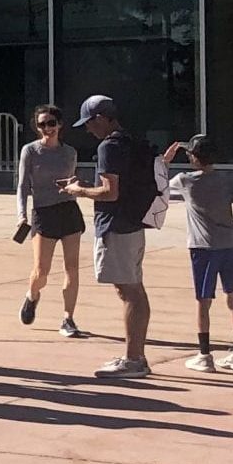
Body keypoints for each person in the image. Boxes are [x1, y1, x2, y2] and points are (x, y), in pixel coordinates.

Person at [57, 95, 154, 379]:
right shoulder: (130, 141)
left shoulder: (109, 147)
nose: (88, 130)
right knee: (133, 288)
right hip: (133, 223)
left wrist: (79, 191)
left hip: (117, 225)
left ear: (100, 118)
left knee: (129, 292)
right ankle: (135, 355)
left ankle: (134, 359)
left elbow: (110, 192)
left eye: (89, 123)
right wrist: (88, 186)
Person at [165, 135, 233, 372]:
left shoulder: (186, 180)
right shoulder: (226, 180)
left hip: (203, 246)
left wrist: (165, 161)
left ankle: (204, 354)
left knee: (203, 301)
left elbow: (159, 186)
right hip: (229, 243)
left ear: (193, 157)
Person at [16, 103, 87, 338]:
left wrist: (74, 186)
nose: (47, 128)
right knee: (41, 271)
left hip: (68, 210)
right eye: (42, 124)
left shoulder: (69, 152)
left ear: (60, 125)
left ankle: (68, 318)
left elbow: (71, 181)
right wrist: (22, 215)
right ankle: (32, 295)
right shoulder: (31, 151)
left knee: (72, 268)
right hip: (43, 213)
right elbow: (23, 186)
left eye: (51, 123)